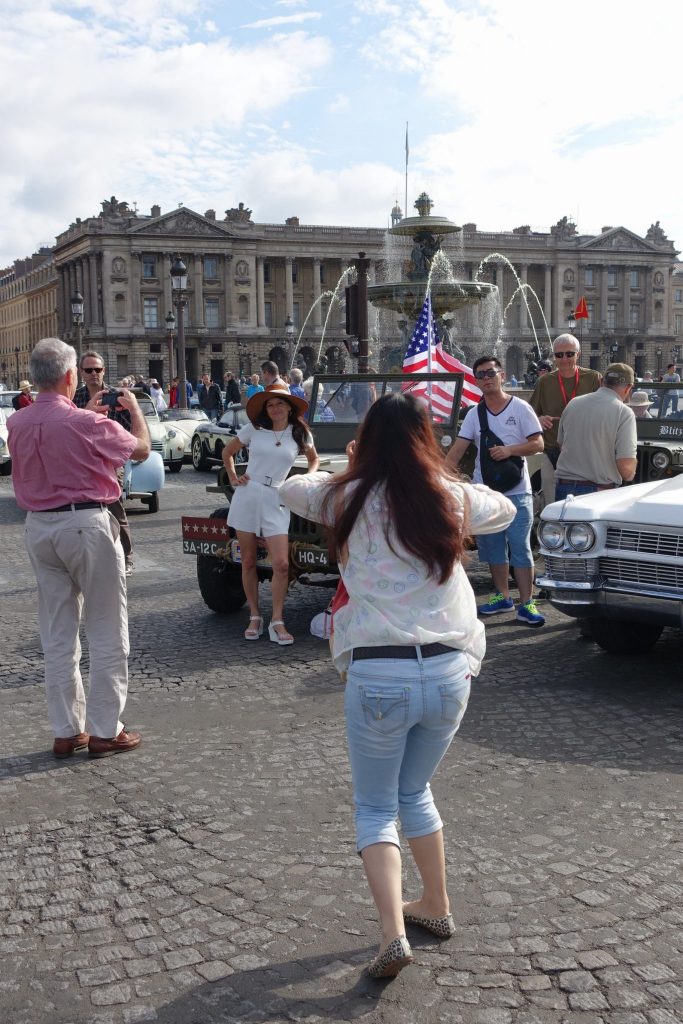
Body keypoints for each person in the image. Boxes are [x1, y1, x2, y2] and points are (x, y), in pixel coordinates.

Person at [279, 392, 516, 979]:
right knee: (415, 791)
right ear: (424, 440)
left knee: (376, 806)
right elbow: (505, 511)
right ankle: (434, 904)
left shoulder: (345, 495)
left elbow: (289, 488)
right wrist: (439, 474)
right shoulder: (448, 496)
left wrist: (346, 466)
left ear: (367, 442)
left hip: (379, 673)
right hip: (447, 672)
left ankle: (392, 935)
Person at [7, 337, 151, 759]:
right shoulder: (86, 424)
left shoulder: (17, 423)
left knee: (57, 632)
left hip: (39, 528)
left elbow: (54, 433)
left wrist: (82, 416)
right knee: (107, 627)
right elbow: (140, 449)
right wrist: (136, 409)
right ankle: (107, 729)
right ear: (72, 376)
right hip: (86, 522)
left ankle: (67, 729)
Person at [446, 355, 546, 627]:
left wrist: (510, 450)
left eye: (491, 373)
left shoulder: (521, 408)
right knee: (493, 549)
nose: (487, 378)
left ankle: (527, 603)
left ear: (502, 375)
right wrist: (438, 477)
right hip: (485, 492)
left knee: (521, 548)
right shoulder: (474, 414)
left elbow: (538, 444)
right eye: (481, 375)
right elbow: (458, 449)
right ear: (476, 381)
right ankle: (502, 596)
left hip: (517, 491)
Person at [222, 384, 319, 645]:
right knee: (249, 561)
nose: (275, 408)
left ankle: (278, 619)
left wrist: (307, 478)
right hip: (248, 493)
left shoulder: (299, 433)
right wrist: (233, 477)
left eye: (280, 403)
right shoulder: (255, 429)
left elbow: (314, 459)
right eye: (270, 404)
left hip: (277, 496)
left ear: (290, 407)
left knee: (282, 564)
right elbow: (227, 452)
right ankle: (255, 615)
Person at [73, 351, 136, 575]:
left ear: (104, 371)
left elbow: (130, 430)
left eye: (97, 370)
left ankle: (127, 556)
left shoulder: (116, 396)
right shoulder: (76, 398)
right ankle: (89, 555)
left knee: (115, 504)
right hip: (84, 460)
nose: (93, 374)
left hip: (110, 460)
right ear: (81, 372)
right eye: (88, 370)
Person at [529, 335, 601, 507]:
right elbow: (529, 414)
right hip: (552, 452)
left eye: (569, 354)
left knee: (582, 503)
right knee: (552, 503)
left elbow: (607, 411)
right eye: (559, 355)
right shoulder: (544, 381)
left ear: (578, 354)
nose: (564, 359)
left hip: (585, 453)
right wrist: (538, 419)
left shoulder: (593, 378)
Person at [554, 363, 637, 501]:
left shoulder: (573, 403)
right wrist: (632, 470)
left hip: (565, 488)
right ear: (629, 387)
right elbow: (626, 469)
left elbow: (562, 446)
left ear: (601, 381)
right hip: (598, 493)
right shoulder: (623, 412)